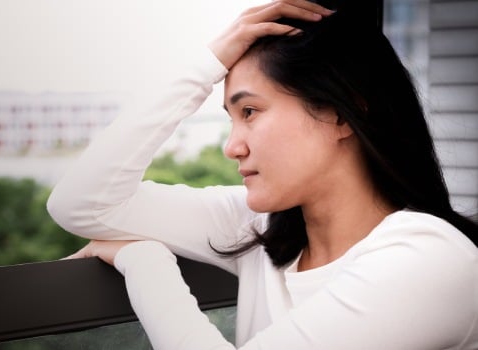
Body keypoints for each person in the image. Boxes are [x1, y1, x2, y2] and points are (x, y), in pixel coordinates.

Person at [46, 0, 478, 348]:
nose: (233, 146)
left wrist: (143, 260)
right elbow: (81, 204)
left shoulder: (428, 257)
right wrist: (205, 64)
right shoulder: (260, 232)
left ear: (341, 114)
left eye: (250, 112)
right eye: (232, 118)